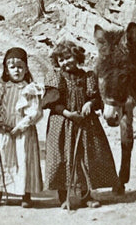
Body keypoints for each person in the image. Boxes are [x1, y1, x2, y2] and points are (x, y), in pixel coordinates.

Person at [43, 40, 118, 209]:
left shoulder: (88, 76)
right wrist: (67, 113)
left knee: (86, 157)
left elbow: (97, 98)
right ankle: (64, 197)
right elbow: (51, 102)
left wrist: (90, 104)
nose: (65, 62)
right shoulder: (55, 77)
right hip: (61, 122)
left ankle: (86, 195)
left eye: (68, 57)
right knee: (62, 157)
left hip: (85, 123)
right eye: (61, 59)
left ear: (76, 57)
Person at [0, 47, 44, 207]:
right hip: (2, 132)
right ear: (6, 69)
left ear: (26, 69)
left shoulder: (30, 89)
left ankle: (26, 195)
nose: (16, 70)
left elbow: (35, 111)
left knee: (24, 160)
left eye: (20, 66)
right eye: (12, 67)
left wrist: (21, 126)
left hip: (23, 133)